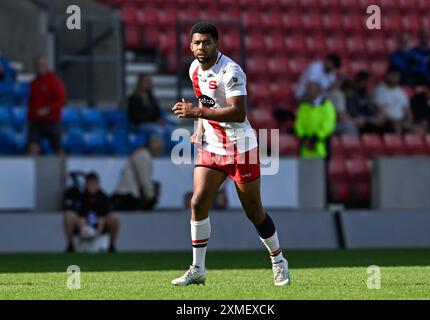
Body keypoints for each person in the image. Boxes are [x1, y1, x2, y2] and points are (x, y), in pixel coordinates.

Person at [170, 22, 290, 286]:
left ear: (217, 44)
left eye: (207, 42)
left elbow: (238, 113)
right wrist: (200, 128)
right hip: (212, 147)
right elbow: (205, 101)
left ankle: (278, 261)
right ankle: (197, 268)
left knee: (254, 212)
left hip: (241, 149)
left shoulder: (231, 71)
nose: (201, 47)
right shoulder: (193, 69)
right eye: (197, 43)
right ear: (190, 45)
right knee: (198, 202)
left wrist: (196, 114)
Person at [63, 172, 120, 253]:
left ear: (98, 184)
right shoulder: (80, 197)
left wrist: (98, 230)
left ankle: (111, 245)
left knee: (115, 217)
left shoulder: (104, 198)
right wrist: (82, 227)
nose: (92, 186)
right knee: (68, 215)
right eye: (90, 183)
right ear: (85, 184)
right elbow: (78, 215)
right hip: (83, 228)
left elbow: (104, 217)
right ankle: (70, 245)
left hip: (100, 229)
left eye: (94, 183)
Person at [112, 136, 164, 211]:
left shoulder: (140, 154)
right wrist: (151, 196)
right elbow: (144, 179)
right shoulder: (143, 156)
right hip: (128, 194)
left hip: (127, 193)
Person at [27, 56, 66, 155]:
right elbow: (31, 102)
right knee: (32, 147)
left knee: (58, 148)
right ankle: (29, 169)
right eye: (38, 65)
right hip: (37, 122)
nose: (40, 67)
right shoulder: (34, 83)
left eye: (42, 65)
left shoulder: (54, 81)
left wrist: (48, 110)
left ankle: (63, 168)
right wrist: (30, 117)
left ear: (46, 66)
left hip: (52, 121)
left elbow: (61, 100)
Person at [294, 81, 336, 159]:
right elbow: (298, 124)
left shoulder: (327, 106)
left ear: (318, 91)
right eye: (308, 89)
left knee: (321, 170)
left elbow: (328, 125)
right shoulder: (303, 106)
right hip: (305, 147)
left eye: (311, 89)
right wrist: (304, 137)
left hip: (322, 145)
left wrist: (315, 138)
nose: (309, 92)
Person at [373, 66, 414, 134]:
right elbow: (379, 109)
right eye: (393, 75)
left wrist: (409, 121)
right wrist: (394, 120)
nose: (395, 78)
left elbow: (408, 111)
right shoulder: (380, 90)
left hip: (401, 121)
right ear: (387, 75)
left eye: (397, 76)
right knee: (397, 127)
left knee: (419, 130)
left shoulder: (401, 92)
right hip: (387, 121)